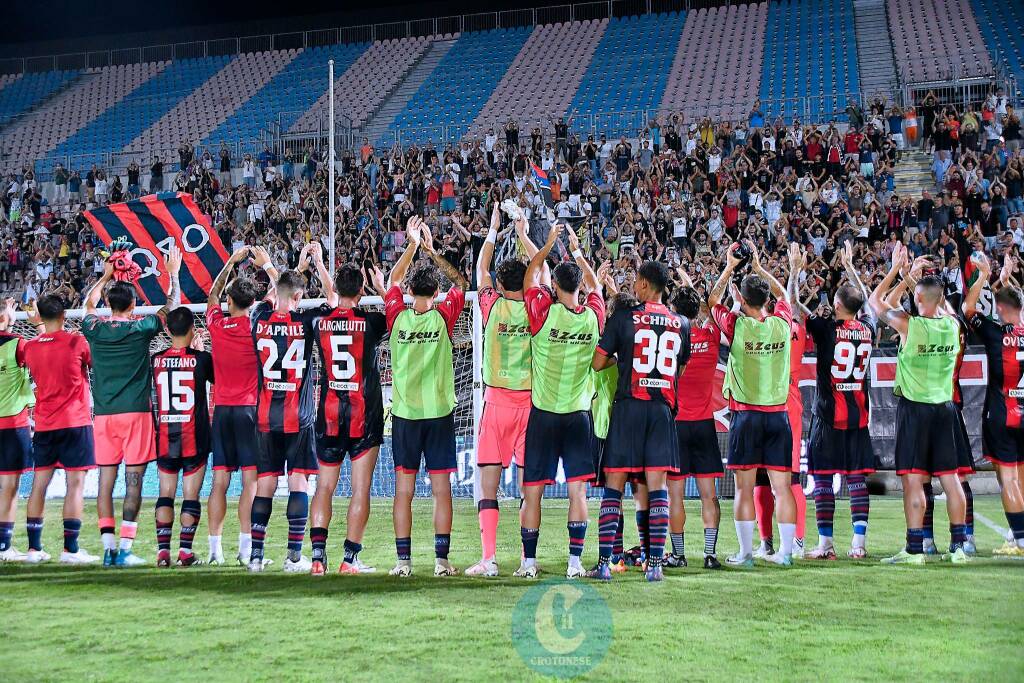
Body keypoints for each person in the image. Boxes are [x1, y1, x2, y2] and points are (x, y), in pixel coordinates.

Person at [868, 243, 969, 564]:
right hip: (945, 409)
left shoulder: (910, 325)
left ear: (919, 298)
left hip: (915, 409)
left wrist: (898, 271)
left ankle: (915, 550)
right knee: (951, 480)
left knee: (913, 480)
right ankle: (958, 549)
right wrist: (915, 282)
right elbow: (937, 302)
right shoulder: (952, 325)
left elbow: (875, 302)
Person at [82, 244, 181, 567]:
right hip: (136, 414)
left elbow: (87, 305)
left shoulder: (94, 329)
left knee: (105, 483)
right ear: (135, 304)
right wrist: (173, 274)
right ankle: (125, 549)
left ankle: (108, 549)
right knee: (134, 481)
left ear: (109, 303)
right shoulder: (141, 328)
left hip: (104, 417)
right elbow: (171, 308)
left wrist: (106, 275)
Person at [516, 224, 605, 579]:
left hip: (543, 416)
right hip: (577, 417)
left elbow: (528, 277)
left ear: (554, 286)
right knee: (577, 493)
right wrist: (578, 251)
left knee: (532, 491)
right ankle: (574, 563)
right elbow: (597, 288)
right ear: (579, 286)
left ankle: (528, 563)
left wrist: (547, 244)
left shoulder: (542, 312)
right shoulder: (594, 317)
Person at [592, 260, 689, 582]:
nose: (633, 286)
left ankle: (605, 563)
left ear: (645, 285)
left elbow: (597, 362)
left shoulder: (624, 318)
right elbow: (678, 370)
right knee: (657, 488)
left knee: (614, 486)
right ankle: (655, 565)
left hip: (629, 407)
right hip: (662, 410)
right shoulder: (681, 323)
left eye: (635, 281)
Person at [384, 216, 467, 577]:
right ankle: (441, 560)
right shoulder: (443, 317)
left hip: (404, 415)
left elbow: (391, 281)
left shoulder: (396, 317)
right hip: (437, 415)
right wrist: (433, 252)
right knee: (441, 491)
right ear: (435, 294)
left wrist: (413, 246)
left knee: (403, 492)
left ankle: (403, 563)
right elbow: (462, 282)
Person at [707, 241, 798, 567]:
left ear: (742, 299)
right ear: (767, 301)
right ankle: (785, 554)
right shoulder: (782, 323)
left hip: (746, 416)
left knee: (744, 490)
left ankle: (746, 553)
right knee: (782, 489)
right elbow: (786, 298)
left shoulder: (736, 325)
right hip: (778, 417)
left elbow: (712, 300)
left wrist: (730, 266)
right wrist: (759, 268)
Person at [246, 244, 332, 573]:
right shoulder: (307, 320)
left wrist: (275, 269)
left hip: (266, 416)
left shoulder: (259, 318)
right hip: (299, 417)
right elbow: (335, 301)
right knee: (298, 484)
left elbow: (273, 295)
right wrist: (318, 264)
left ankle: (256, 556)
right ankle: (294, 557)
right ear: (299, 298)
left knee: (265, 484)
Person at [464, 207, 539, 577]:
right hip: (529, 404)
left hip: (496, 403)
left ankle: (489, 559)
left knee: (487, 488)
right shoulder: (535, 308)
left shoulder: (490, 304)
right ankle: (528, 562)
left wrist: (493, 230)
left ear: (499, 282)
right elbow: (539, 270)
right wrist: (524, 233)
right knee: (529, 489)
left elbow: (481, 271)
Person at [308, 261, 388, 576]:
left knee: (324, 488)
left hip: (327, 414)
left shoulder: (318, 322)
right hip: (362, 414)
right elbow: (395, 315)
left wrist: (318, 262)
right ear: (361, 291)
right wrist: (381, 288)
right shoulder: (371, 322)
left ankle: (317, 557)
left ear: (337, 290)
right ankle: (349, 560)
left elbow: (331, 303)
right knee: (360, 489)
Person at [804, 243, 877, 559]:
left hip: (828, 416)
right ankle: (858, 546)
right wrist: (852, 271)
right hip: (858, 417)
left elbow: (795, 305)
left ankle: (825, 544)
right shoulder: (869, 329)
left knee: (822, 477)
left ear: (835, 305)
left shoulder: (826, 329)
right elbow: (869, 306)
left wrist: (795, 271)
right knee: (857, 479)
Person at [20, 295, 98, 564]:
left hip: (44, 424)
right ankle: (70, 550)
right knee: (74, 485)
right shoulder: (76, 341)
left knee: (39, 485)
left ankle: (33, 549)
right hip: (75, 422)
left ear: (39, 317)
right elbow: (91, 362)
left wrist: (39, 330)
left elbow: (46, 346)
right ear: (64, 314)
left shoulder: (30, 348)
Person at [963, 254, 1024, 556]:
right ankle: (1016, 540)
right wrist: (1006, 280)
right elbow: (1014, 303)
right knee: (1021, 477)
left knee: (1008, 479)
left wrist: (984, 276)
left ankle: (1021, 539)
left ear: (1000, 309)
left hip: (1001, 413)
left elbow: (968, 308)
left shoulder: (995, 335)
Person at [205, 247, 262, 565]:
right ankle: (244, 550)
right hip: (248, 410)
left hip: (221, 411)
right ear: (252, 304)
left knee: (220, 482)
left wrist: (230, 262)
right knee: (250, 481)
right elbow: (281, 292)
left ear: (230, 302)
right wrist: (265, 264)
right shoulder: (255, 328)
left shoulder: (216, 324)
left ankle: (215, 552)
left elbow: (212, 296)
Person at [754, 245, 809, 559]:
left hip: (765, 400)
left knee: (770, 478)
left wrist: (760, 273)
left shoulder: (761, 328)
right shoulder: (794, 326)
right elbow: (792, 302)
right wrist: (792, 272)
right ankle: (789, 543)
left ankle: (775, 543)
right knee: (784, 478)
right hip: (787, 401)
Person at [667, 269, 724, 570]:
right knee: (708, 495)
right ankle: (710, 554)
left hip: (676, 425)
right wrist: (688, 282)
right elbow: (707, 307)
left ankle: (678, 555)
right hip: (705, 425)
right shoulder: (711, 334)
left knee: (675, 495)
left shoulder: (670, 338)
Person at [152, 308, 214, 567]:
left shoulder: (155, 359)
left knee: (165, 493)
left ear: (167, 330)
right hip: (194, 435)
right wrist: (198, 350)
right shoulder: (202, 359)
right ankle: (185, 551)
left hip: (166, 435)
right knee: (191, 495)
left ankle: (163, 552)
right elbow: (215, 380)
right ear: (192, 330)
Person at [0, 299, 33, 563]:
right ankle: (3, 545)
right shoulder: (17, 343)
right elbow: (44, 355)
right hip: (11, 424)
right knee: (10, 487)